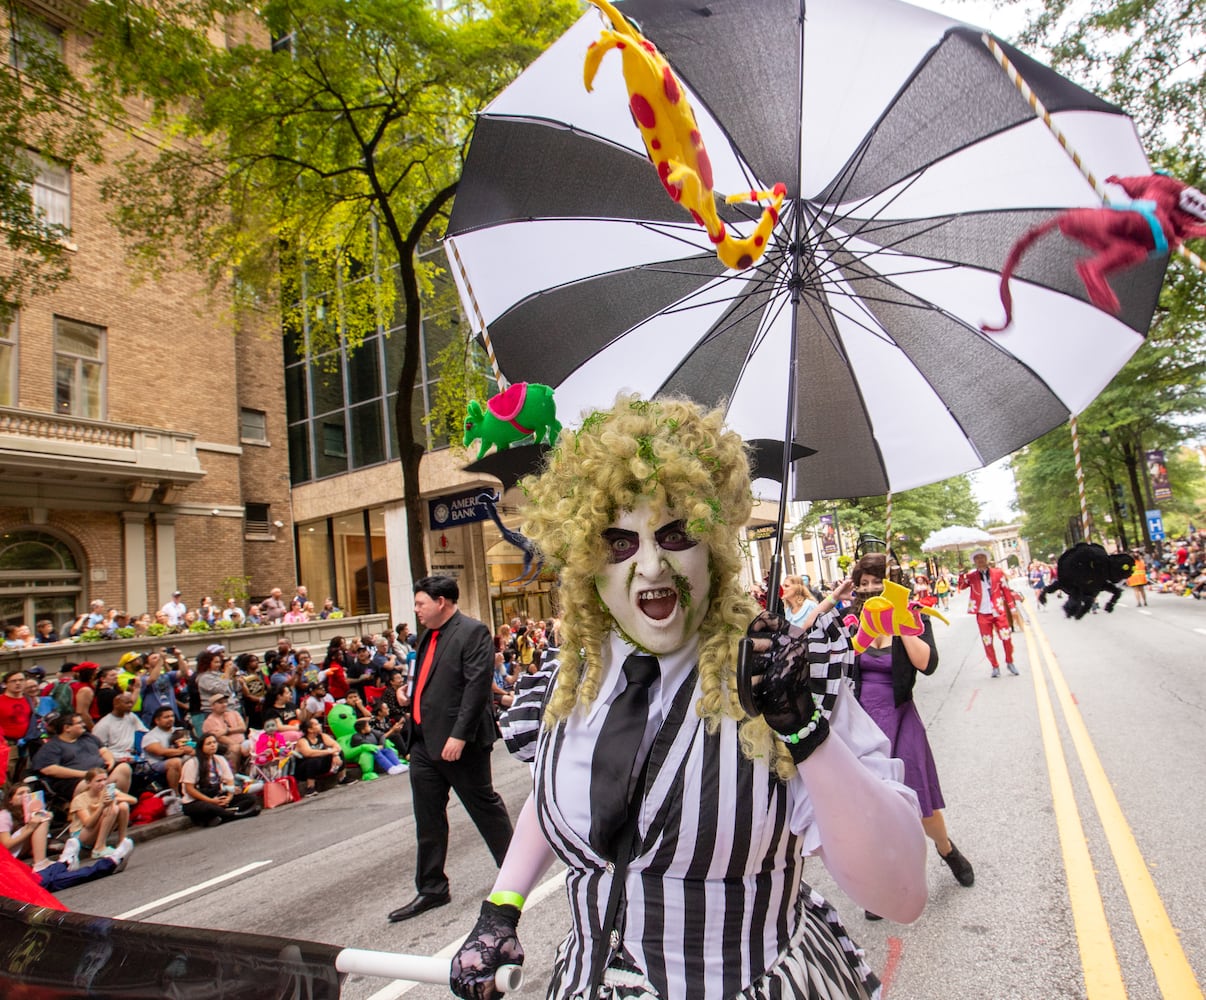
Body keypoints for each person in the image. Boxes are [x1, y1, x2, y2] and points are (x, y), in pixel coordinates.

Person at [449, 396, 926, 1000]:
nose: (650, 566)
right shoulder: (573, 674)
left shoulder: (788, 676)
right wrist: (502, 908)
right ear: (585, 561)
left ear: (715, 543)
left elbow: (901, 894)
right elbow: (565, 791)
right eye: (619, 542)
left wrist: (805, 731)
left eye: (675, 534)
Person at [847, 553, 974, 920]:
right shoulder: (852, 620)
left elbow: (927, 664)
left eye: (878, 581)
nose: (871, 588)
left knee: (919, 800)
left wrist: (900, 621)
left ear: (894, 583)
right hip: (862, 724)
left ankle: (946, 849)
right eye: (865, 582)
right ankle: (882, 883)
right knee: (872, 807)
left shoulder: (912, 614)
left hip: (900, 716)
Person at [387, 575, 513, 923]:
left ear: (441, 601)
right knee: (428, 817)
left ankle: (515, 873)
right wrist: (408, 696)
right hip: (424, 743)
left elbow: (475, 687)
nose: (416, 610)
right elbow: (426, 676)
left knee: (483, 805)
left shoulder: (473, 632)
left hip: (461, 743)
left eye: (420, 603)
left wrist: (459, 735)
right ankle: (432, 888)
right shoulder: (427, 634)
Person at [32, 713, 133, 805]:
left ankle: (114, 805)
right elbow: (49, 769)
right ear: (67, 728)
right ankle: (98, 811)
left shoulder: (88, 737)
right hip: (76, 780)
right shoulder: (52, 746)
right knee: (88, 783)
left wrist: (110, 760)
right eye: (79, 723)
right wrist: (84, 774)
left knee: (124, 768)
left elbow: (104, 751)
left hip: (103, 774)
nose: (83, 724)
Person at [957, 548, 1019, 678]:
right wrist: (961, 572)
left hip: (998, 610)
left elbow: (1006, 590)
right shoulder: (972, 576)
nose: (980, 560)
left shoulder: (998, 573)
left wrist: (1012, 607)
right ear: (974, 561)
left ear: (986, 559)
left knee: (1006, 637)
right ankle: (995, 665)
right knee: (987, 641)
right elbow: (962, 586)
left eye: (982, 557)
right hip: (982, 612)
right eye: (977, 558)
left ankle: (1009, 661)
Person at [180, 733, 260, 827]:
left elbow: (230, 781)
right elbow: (190, 789)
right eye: (209, 743)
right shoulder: (192, 763)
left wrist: (228, 798)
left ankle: (221, 816)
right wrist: (211, 801)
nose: (213, 745)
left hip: (217, 795)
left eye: (214, 742)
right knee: (210, 808)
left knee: (250, 798)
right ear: (201, 747)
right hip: (196, 800)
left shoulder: (220, 759)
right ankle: (236, 815)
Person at [67, 768, 135, 857]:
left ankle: (121, 841)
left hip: (96, 829)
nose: (102, 783)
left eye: (105, 780)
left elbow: (133, 800)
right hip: (81, 835)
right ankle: (99, 848)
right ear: (89, 783)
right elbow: (88, 824)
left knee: (123, 806)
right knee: (111, 809)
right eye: (98, 781)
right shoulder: (79, 799)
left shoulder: (107, 791)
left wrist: (115, 799)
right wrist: (102, 806)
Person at [141, 705, 195, 794]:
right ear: (157, 720)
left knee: (196, 756)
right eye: (166, 717)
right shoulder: (150, 736)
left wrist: (192, 750)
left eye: (172, 716)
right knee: (176, 762)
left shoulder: (180, 731)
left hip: (181, 757)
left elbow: (192, 745)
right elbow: (161, 752)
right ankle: (175, 794)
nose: (170, 719)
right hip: (157, 764)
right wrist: (183, 751)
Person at [1, 782, 53, 871]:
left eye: (28, 792)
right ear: (11, 800)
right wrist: (30, 828)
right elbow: (6, 845)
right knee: (40, 820)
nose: (26, 796)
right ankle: (40, 863)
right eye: (20, 794)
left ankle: (41, 860)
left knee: (42, 818)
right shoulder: (4, 815)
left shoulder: (33, 810)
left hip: (25, 848)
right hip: (7, 854)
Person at [293, 717, 344, 796]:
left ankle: (342, 778)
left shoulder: (322, 736)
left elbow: (336, 746)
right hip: (304, 770)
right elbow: (309, 753)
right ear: (310, 730)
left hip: (320, 765)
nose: (320, 725)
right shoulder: (302, 741)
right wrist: (329, 751)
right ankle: (310, 787)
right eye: (316, 724)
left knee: (340, 753)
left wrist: (335, 755)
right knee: (313, 760)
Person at [201, 693, 247, 772]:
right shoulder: (209, 721)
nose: (224, 704)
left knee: (254, 745)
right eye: (220, 703)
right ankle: (233, 775)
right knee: (235, 748)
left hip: (243, 741)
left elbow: (243, 728)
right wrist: (234, 743)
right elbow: (217, 736)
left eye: (225, 702)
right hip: (223, 746)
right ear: (212, 706)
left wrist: (227, 731)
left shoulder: (234, 713)